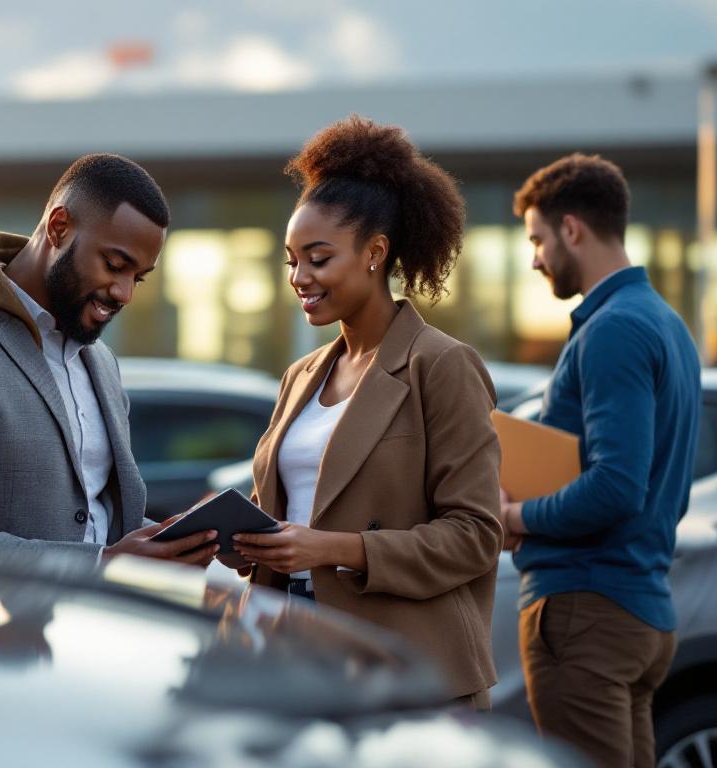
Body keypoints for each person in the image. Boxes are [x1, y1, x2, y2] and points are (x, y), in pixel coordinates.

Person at [230, 116, 503, 707]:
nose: (300, 278)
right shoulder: (300, 377)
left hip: (400, 662)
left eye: (318, 258)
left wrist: (332, 549)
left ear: (375, 252)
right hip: (288, 648)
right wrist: (228, 534)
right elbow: (282, 510)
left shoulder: (441, 365)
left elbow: (476, 536)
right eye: (291, 261)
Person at [0, 153, 217, 564]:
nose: (124, 293)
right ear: (59, 227)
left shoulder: (100, 360)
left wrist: (167, 545)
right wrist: (103, 565)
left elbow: (89, 524)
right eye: (114, 265)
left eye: (137, 277)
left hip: (107, 626)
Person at [501, 154, 700, 768]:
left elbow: (616, 485)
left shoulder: (612, 329)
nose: (535, 258)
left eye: (537, 239)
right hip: (638, 610)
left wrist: (517, 516)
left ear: (572, 229)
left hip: (586, 611)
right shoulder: (667, 324)